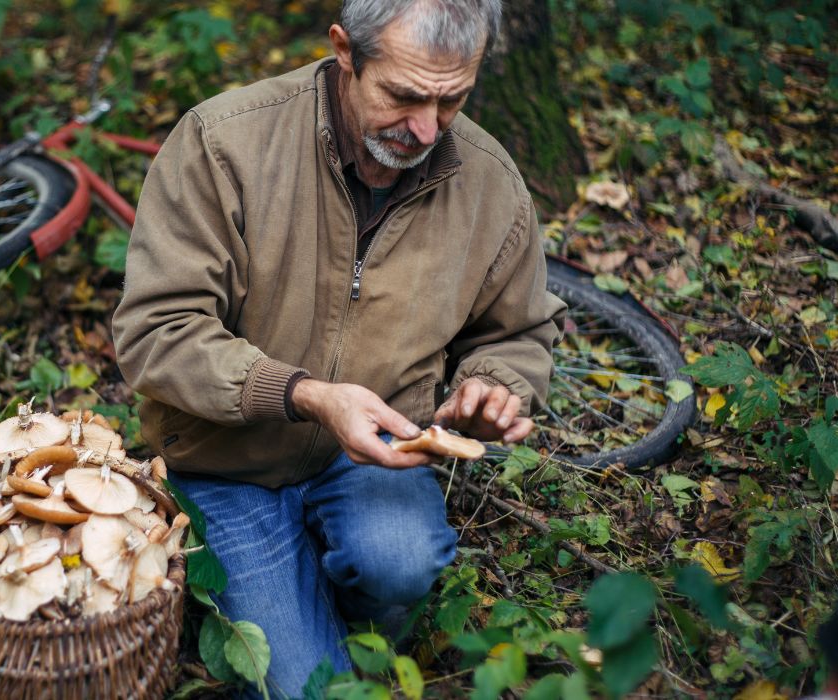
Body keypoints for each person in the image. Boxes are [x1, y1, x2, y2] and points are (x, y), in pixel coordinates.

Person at [112, 0, 566, 696]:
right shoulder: (223, 143)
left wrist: (493, 382)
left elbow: (515, 331)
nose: (424, 129)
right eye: (404, 95)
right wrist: (307, 396)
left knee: (401, 560)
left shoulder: (489, 183)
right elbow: (155, 331)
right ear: (345, 52)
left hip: (378, 455)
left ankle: (357, 624)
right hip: (225, 464)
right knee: (302, 688)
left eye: (451, 100)